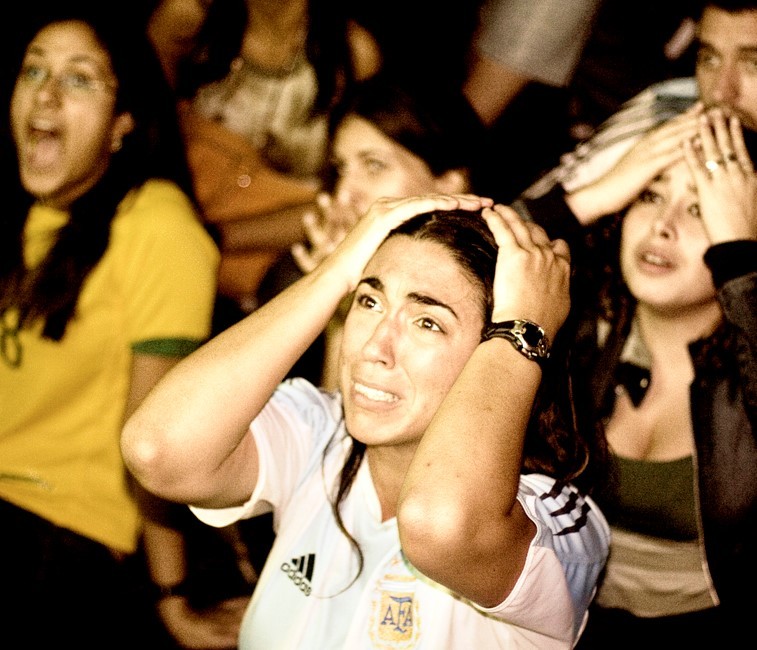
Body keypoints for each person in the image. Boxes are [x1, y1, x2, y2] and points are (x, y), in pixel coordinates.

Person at [122, 191, 611, 649]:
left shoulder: (554, 518)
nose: (373, 348)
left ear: (500, 349)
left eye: (427, 322)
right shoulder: (322, 433)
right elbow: (158, 448)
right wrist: (337, 272)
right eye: (369, 301)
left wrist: (526, 326)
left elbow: (440, 526)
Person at [0, 3, 225, 647]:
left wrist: (172, 596)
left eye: (79, 78)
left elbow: (151, 434)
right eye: (33, 70)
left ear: (123, 124)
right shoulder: (28, 214)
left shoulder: (156, 224)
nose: (46, 92)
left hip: (58, 530)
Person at [512, 100, 757, 645]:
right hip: (556, 621)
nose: (663, 226)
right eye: (650, 195)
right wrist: (591, 197)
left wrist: (741, 262)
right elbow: (455, 264)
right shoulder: (578, 323)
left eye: (700, 207)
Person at [149, 0, 382, 324]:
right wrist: (178, 227)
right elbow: (145, 137)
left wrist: (210, 237)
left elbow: (347, 195)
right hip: (175, 217)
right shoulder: (187, 17)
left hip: (286, 242)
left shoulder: (352, 51)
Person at [257, 73, 486, 387]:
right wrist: (339, 306)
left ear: (448, 184)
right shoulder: (304, 277)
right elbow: (332, 427)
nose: (344, 193)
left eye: (374, 165)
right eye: (341, 169)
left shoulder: (484, 297)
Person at [520, 0, 757, 203]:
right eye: (709, 58)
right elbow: (512, 225)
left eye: (754, 64)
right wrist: (593, 200)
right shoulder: (667, 113)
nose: (720, 92)